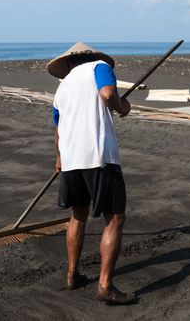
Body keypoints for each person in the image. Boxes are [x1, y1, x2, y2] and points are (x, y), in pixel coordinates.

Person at [48, 42, 135, 304]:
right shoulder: (100, 67)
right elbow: (108, 94)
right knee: (114, 218)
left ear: (69, 64)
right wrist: (122, 106)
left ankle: (72, 274)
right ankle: (105, 287)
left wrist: (61, 157)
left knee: (78, 215)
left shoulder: (62, 88)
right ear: (90, 57)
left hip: (72, 160)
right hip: (99, 157)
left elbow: (58, 132)